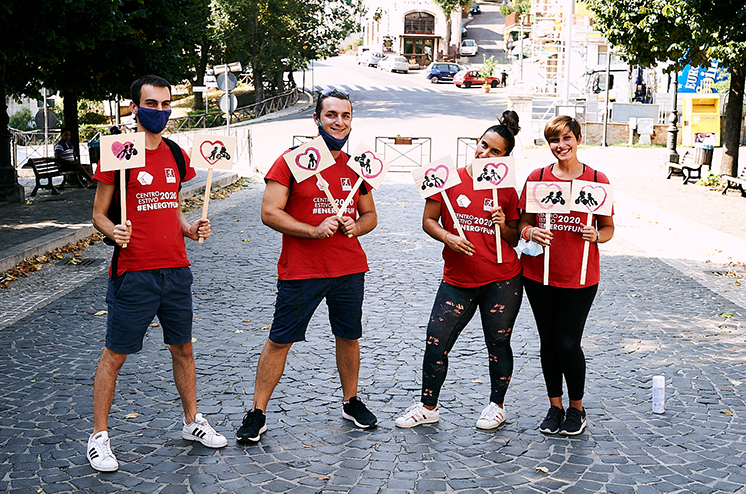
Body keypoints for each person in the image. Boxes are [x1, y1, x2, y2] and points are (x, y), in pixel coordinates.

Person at [87, 75, 226, 472]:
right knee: (115, 355)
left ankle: (191, 421)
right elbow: (98, 213)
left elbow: (172, 207)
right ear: (134, 108)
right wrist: (112, 229)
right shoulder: (118, 153)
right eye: (152, 104)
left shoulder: (177, 155)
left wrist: (189, 228)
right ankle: (99, 437)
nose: (160, 112)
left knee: (183, 348)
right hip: (133, 272)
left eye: (166, 105)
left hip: (176, 271)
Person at [236, 89, 379, 443]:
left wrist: (356, 227)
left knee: (348, 336)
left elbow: (371, 215)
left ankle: (351, 400)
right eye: (331, 115)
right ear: (316, 119)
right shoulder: (291, 161)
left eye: (345, 115)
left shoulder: (356, 165)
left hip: (348, 268)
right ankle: (257, 412)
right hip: (301, 270)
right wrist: (313, 231)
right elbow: (269, 212)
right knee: (280, 340)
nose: (339, 122)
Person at [395, 111, 523, 430]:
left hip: (502, 279)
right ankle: (428, 406)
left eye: (495, 151)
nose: (485, 153)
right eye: (483, 145)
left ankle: (496, 405)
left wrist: (503, 224)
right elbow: (428, 221)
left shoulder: (506, 189)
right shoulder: (447, 178)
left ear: (505, 157)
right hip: (458, 279)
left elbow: (515, 237)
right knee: (436, 341)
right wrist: (448, 237)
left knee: (498, 343)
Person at [517, 115, 615, 436]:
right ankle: (555, 406)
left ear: (578, 138)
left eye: (567, 138)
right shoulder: (538, 177)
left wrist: (596, 235)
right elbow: (522, 223)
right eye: (554, 140)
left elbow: (609, 228)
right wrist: (531, 231)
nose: (561, 146)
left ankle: (577, 408)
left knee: (568, 343)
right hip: (538, 275)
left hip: (580, 275)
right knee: (548, 342)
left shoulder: (597, 180)